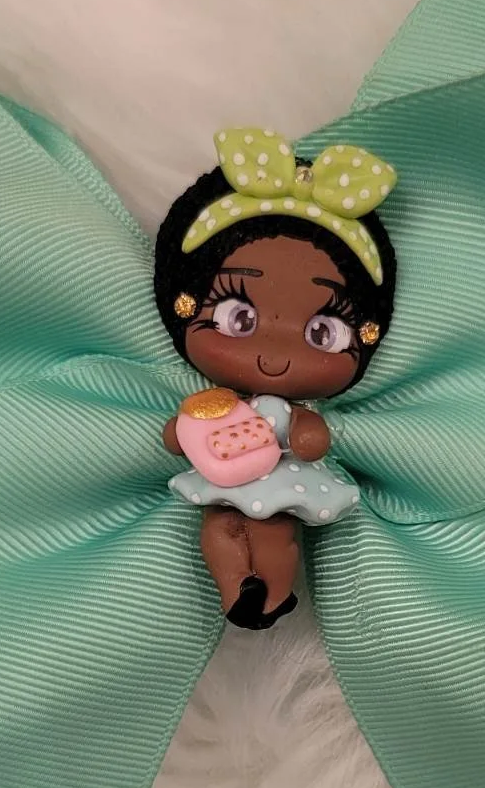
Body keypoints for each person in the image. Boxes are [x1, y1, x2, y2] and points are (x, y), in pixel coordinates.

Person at [154, 128, 397, 629]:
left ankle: (275, 591)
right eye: (239, 317)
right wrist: (183, 430)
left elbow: (311, 440)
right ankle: (238, 591)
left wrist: (306, 436)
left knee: (275, 534)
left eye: (321, 332)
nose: (272, 356)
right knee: (218, 529)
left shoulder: (290, 411)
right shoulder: (216, 403)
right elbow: (178, 437)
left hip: (282, 482)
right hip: (221, 481)